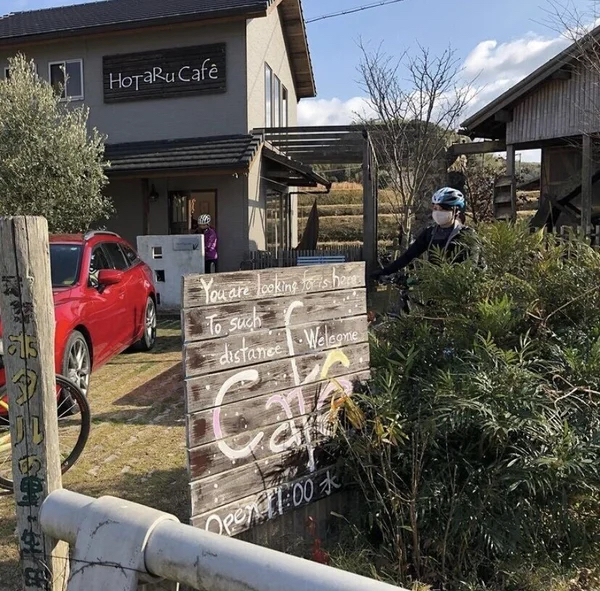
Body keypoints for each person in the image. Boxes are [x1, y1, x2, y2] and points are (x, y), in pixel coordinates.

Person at [371, 187, 477, 279]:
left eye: (443, 209)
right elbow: (409, 255)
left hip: (457, 292)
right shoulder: (430, 233)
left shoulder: (467, 234)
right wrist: (386, 271)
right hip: (432, 288)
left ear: (456, 211)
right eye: (435, 208)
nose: (438, 212)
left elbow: (474, 263)